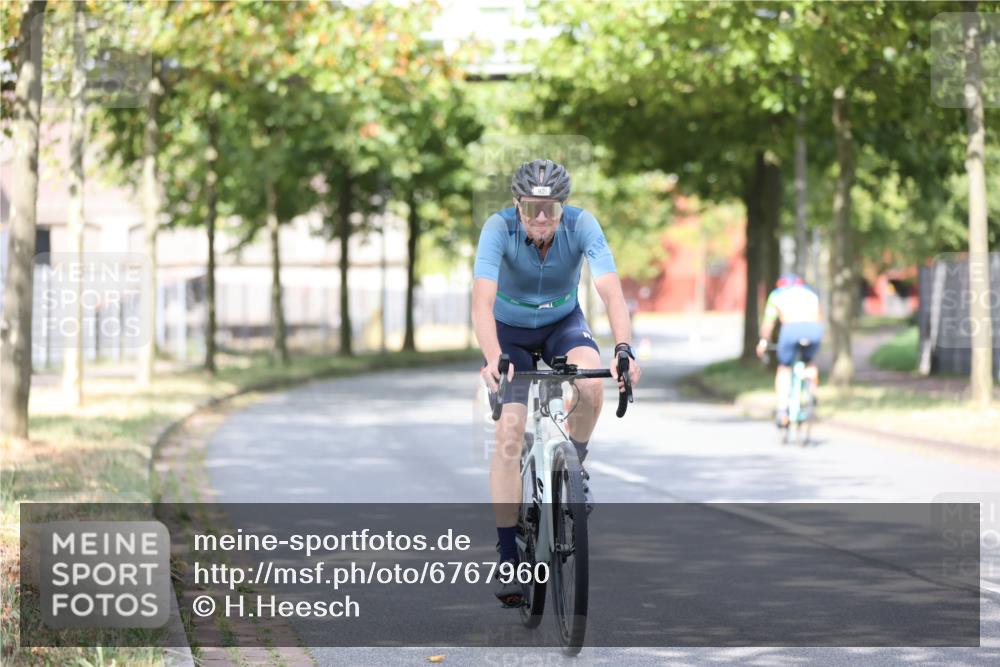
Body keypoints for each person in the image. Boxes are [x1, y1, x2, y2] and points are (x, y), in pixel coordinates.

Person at [472, 159, 641, 606]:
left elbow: (610, 291)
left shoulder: (583, 224)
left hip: (562, 323)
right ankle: (508, 555)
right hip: (510, 333)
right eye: (532, 209)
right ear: (517, 205)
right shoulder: (497, 228)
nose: (542, 218)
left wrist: (623, 348)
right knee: (509, 430)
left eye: (551, 208)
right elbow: (482, 303)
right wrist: (494, 358)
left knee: (592, 384)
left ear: (563, 207)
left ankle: (575, 464)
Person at [755, 273, 824, 426]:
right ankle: (812, 387)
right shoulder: (810, 293)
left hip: (791, 329)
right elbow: (820, 317)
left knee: (784, 368)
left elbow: (768, 323)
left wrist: (763, 342)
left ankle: (782, 411)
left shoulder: (777, 295)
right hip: (814, 330)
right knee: (809, 361)